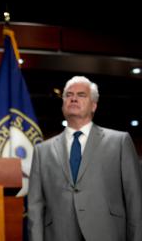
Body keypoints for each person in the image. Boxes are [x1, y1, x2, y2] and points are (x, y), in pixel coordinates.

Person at [28, 76, 142, 241]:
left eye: (81, 95)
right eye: (68, 95)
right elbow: (35, 207)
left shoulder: (120, 142)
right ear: (63, 104)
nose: (73, 98)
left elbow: (135, 201)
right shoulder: (42, 151)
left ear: (94, 105)